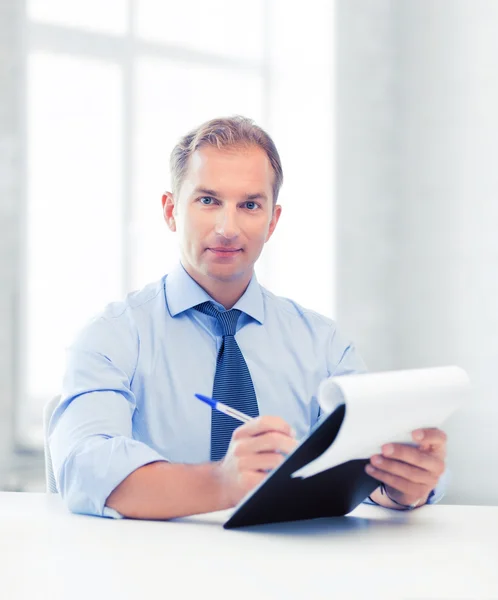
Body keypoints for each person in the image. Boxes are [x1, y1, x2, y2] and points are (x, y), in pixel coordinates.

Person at [49, 116, 447, 520]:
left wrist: (399, 484)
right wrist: (222, 482)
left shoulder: (322, 342)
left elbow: (366, 452)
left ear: (272, 221)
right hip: (154, 571)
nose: (227, 228)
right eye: (208, 201)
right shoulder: (113, 335)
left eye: (250, 205)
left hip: (292, 569)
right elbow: (85, 465)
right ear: (171, 211)